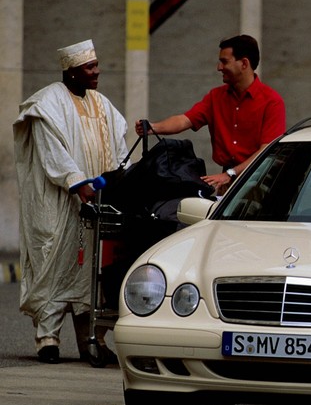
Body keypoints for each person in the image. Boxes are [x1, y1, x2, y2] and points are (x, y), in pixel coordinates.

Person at [13, 39, 128, 364]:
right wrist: (78, 184)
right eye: (90, 68)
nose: (97, 72)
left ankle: (90, 339)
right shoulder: (48, 103)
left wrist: (122, 179)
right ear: (72, 71)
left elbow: (119, 145)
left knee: (90, 272)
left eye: (96, 65)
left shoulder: (102, 104)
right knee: (55, 266)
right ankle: (47, 338)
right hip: (58, 203)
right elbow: (53, 154)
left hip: (95, 202)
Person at [135, 34, 285, 194]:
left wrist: (230, 174)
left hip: (260, 182)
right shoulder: (216, 97)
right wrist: (153, 128)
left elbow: (267, 151)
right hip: (226, 182)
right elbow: (185, 120)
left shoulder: (272, 101)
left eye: (224, 61)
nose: (219, 67)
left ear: (244, 63)